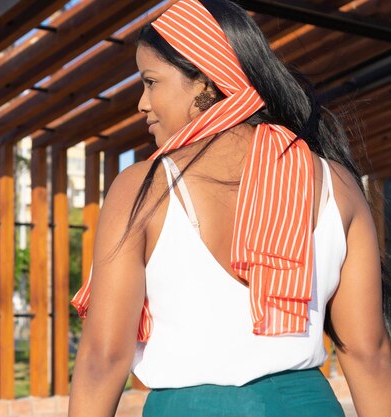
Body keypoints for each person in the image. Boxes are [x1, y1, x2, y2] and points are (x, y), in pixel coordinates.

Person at [67, 1, 391, 416]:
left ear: (204, 80)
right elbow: (369, 354)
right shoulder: (337, 184)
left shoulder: (142, 189)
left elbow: (103, 358)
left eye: (150, 82)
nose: (141, 104)